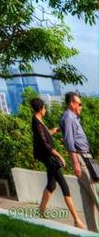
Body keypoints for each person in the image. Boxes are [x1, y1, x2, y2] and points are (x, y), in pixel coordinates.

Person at [30, 97, 85, 228]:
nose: (45, 110)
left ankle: (40, 212)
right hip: (49, 157)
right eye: (44, 108)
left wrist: (55, 130)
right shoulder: (36, 122)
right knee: (64, 186)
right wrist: (60, 156)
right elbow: (45, 145)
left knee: (51, 185)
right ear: (40, 109)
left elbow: (45, 134)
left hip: (48, 157)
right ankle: (77, 220)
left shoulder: (38, 120)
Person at [61, 91, 99, 230]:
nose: (81, 106)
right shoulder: (69, 118)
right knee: (96, 192)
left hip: (83, 158)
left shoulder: (73, 118)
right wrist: (76, 164)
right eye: (79, 104)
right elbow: (70, 143)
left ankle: (93, 232)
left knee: (87, 200)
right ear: (71, 103)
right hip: (81, 159)